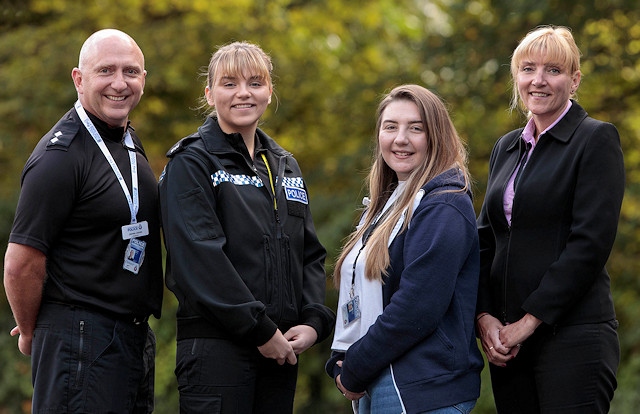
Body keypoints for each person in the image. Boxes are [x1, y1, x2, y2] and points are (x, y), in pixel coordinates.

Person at [158, 41, 335, 413]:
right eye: (229, 83)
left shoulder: (285, 164)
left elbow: (310, 252)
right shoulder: (191, 162)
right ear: (209, 93)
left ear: (270, 92)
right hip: (217, 351)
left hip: (281, 351)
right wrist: (259, 329)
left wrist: (314, 320)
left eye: (255, 82)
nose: (243, 93)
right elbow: (200, 259)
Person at [3, 29, 163, 413]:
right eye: (106, 70)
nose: (119, 83)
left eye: (131, 72)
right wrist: (30, 331)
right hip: (80, 339)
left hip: (130, 338)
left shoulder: (125, 140)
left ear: (144, 78)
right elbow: (20, 264)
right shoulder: (60, 156)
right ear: (79, 78)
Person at [476, 25, 624, 413]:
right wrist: (485, 316)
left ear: (574, 80)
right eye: (528, 69)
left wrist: (529, 322)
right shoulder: (506, 148)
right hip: (509, 344)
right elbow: (484, 240)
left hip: (574, 337)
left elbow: (589, 245)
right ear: (516, 77)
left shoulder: (595, 140)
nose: (538, 80)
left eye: (553, 71)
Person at [326, 84, 483, 413]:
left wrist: (356, 366)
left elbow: (417, 307)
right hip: (382, 379)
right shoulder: (390, 203)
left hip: (424, 386)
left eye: (416, 128)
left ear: (436, 136)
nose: (401, 139)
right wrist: (343, 358)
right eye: (390, 127)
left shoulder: (444, 204)